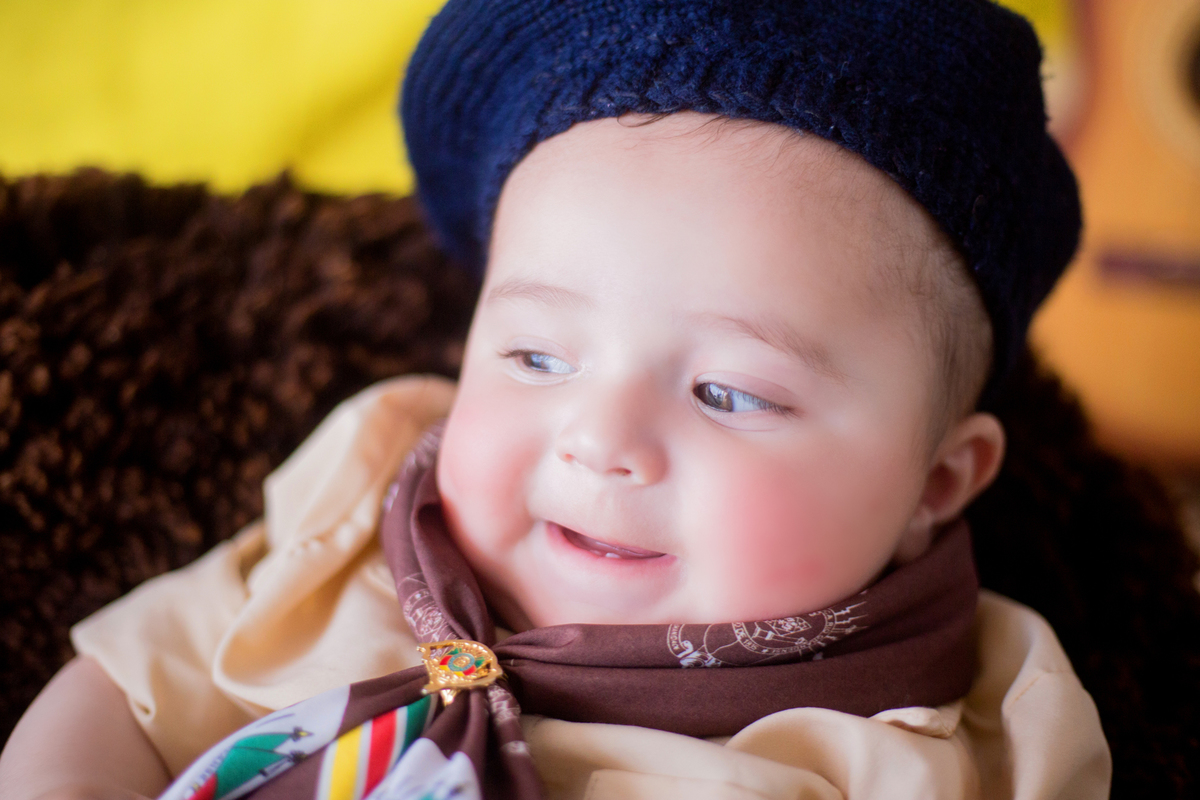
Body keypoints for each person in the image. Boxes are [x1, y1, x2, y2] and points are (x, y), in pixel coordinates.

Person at [0, 0, 1112, 798]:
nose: (600, 438)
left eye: (727, 390)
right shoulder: (366, 521)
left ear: (937, 480)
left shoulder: (916, 739)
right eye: (537, 358)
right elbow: (132, 682)